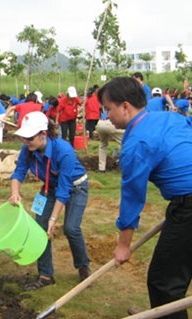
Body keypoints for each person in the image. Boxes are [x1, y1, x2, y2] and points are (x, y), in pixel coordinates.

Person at [98, 77, 192, 319]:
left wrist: (123, 246)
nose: (106, 116)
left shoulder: (136, 144)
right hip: (182, 203)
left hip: (188, 206)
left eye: (108, 109)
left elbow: (132, 198)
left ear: (125, 106)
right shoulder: (169, 117)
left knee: (164, 282)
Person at [9, 111, 91, 290]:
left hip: (76, 187)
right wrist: (15, 192)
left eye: (29, 138)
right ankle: (46, 275)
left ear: (43, 134)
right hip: (49, 188)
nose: (25, 141)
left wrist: (53, 220)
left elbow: (64, 190)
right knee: (40, 227)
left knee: (71, 228)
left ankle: (83, 266)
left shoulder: (64, 151)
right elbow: (19, 172)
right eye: (23, 137)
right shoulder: (28, 149)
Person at [95, 108, 124, 173]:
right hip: (111, 124)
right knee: (127, 143)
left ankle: (101, 168)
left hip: (100, 123)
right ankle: (121, 163)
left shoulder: (111, 103)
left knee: (103, 145)